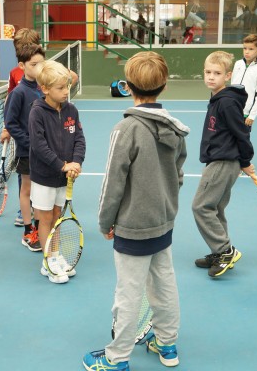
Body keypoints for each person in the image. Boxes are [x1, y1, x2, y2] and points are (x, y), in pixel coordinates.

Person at [83, 51, 188, 371]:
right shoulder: (176, 127)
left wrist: (105, 221)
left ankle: (117, 358)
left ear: (126, 86)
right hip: (164, 222)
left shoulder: (124, 130)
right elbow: (179, 175)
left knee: (128, 294)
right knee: (164, 283)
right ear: (164, 86)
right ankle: (167, 343)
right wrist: (165, 206)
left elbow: (112, 183)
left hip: (132, 226)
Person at [192, 51, 255, 279]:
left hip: (224, 161)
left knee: (201, 207)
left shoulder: (227, 103)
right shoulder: (219, 99)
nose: (211, 77)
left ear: (227, 75)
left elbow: (242, 133)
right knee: (215, 208)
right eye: (208, 72)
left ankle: (225, 251)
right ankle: (218, 253)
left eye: (217, 73)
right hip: (218, 160)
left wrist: (246, 161)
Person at [28, 60, 86, 284]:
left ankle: (56, 254)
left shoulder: (71, 110)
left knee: (57, 217)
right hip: (44, 178)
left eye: (67, 87)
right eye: (60, 88)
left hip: (64, 178)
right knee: (44, 219)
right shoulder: (37, 113)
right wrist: (62, 165)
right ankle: (48, 260)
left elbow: (79, 138)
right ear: (45, 89)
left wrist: (77, 162)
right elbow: (39, 146)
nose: (66, 92)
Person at [4, 43, 46, 252]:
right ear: (22, 65)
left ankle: (39, 227)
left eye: (41, 63)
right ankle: (28, 230)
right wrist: (29, 143)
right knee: (27, 190)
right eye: (33, 64)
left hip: (44, 152)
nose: (39, 68)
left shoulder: (42, 89)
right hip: (26, 152)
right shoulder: (18, 92)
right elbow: (10, 123)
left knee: (40, 191)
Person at [0, 28, 42, 226]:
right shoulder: (15, 74)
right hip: (24, 140)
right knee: (23, 177)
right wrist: (6, 128)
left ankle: (40, 207)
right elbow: (10, 101)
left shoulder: (44, 70)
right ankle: (25, 208)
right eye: (21, 47)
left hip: (43, 137)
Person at [231, 34, 257, 128]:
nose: (247, 52)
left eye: (251, 49)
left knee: (242, 141)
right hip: (231, 110)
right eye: (245, 48)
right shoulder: (238, 64)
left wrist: (252, 116)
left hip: (245, 114)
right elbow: (232, 85)